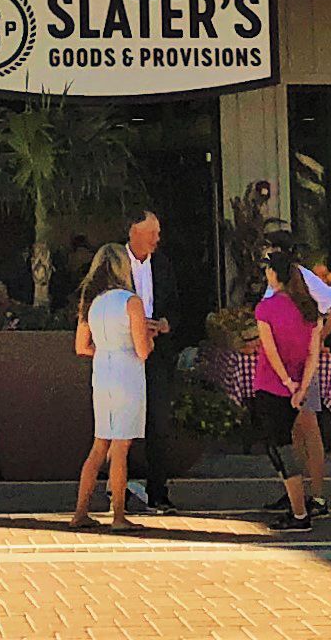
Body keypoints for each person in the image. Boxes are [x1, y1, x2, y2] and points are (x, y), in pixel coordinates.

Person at [69, 242, 152, 529]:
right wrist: (150, 336)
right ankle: (118, 515)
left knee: (99, 444)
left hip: (102, 372)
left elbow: (81, 346)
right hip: (127, 375)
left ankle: (80, 511)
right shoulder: (131, 302)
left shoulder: (92, 303)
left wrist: (105, 349)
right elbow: (142, 350)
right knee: (121, 446)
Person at [247, 241, 326, 532]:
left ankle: (299, 512)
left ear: (273, 274)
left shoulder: (266, 308)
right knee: (288, 443)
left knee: (280, 448)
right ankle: (301, 505)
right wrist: (302, 387)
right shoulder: (309, 311)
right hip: (296, 386)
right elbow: (313, 354)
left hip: (272, 385)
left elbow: (270, 351)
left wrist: (287, 381)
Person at [121, 208, 187, 514]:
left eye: (158, 233)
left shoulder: (162, 264)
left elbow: (175, 305)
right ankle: (118, 488)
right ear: (134, 232)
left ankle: (158, 491)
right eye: (151, 233)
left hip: (157, 352)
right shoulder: (116, 263)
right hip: (124, 351)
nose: (156, 239)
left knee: (159, 421)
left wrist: (165, 324)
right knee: (122, 423)